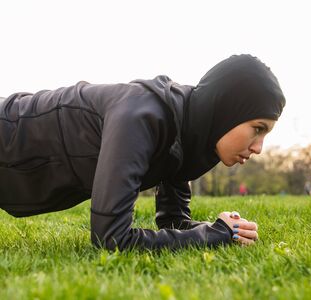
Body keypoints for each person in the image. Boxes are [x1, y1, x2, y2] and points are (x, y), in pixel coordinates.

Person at [0, 54, 285, 251]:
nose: (259, 147)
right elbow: (112, 240)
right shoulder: (141, 117)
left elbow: (172, 221)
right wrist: (215, 235)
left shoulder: (186, 130)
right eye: (257, 128)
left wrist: (220, 228)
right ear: (227, 110)